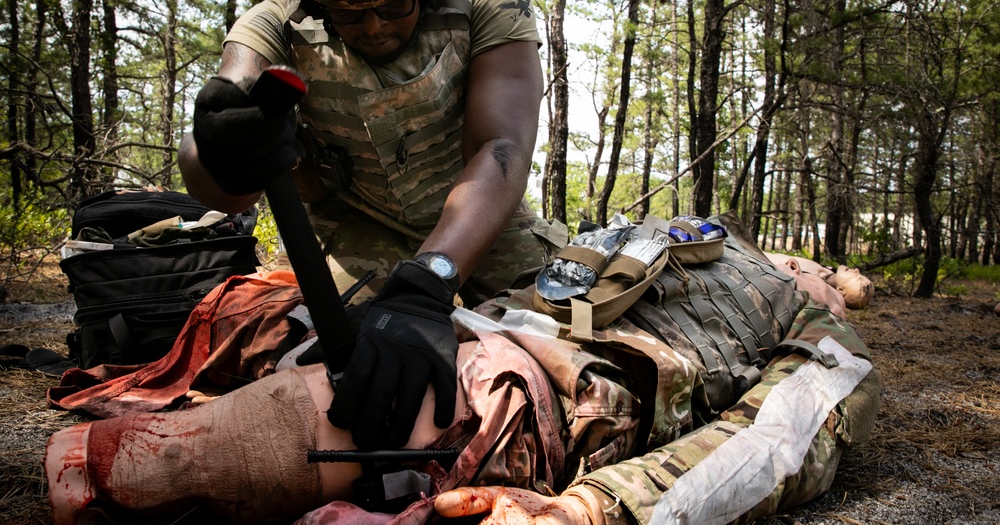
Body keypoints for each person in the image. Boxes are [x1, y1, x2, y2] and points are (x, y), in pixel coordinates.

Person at [45, 215, 881, 525]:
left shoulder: (805, 321)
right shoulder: (662, 232)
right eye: (821, 271)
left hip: (543, 391)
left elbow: (780, 436)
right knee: (268, 314)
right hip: (470, 325)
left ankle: (117, 465)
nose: (823, 279)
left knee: (389, 412)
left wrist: (596, 508)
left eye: (836, 283)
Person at [177, 0, 564, 450]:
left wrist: (428, 281)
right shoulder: (273, 27)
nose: (376, 27)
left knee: (558, 343)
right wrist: (221, 143)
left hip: (481, 223)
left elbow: (500, 146)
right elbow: (220, 166)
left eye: (395, 5)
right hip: (356, 238)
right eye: (349, 15)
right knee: (341, 367)